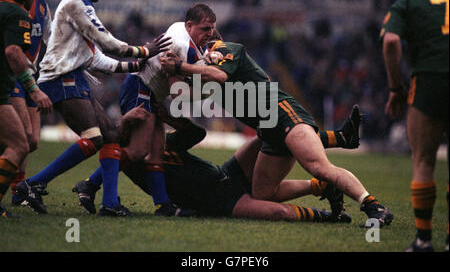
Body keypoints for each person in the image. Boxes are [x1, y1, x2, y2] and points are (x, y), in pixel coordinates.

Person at [160, 29, 394, 227]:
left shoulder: (227, 49)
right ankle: (325, 181)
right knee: (263, 193)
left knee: (318, 166)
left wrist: (180, 66)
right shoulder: (204, 70)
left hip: (283, 114)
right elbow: (184, 94)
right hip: (270, 130)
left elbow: (219, 75)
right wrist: (168, 70)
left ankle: (374, 206)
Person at [15, 0, 171, 217]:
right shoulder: (76, 3)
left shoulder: (78, 11)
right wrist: (144, 51)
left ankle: (109, 203)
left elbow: (98, 58)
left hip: (73, 79)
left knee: (111, 136)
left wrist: (135, 64)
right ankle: (32, 184)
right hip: (60, 79)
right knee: (95, 137)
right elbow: (107, 41)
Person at [74, 102, 361, 222]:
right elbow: (110, 162)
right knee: (279, 214)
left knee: (271, 133)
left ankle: (338, 139)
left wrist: (168, 116)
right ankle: (326, 210)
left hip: (226, 172)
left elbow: (197, 132)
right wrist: (89, 185)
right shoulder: (129, 159)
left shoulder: (163, 144)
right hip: (219, 202)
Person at [107, 3, 216, 215]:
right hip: (140, 88)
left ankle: (163, 205)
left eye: (212, 28)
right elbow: (178, 93)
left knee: (157, 152)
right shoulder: (180, 46)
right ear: (190, 25)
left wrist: (209, 54)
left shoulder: (182, 29)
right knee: (139, 150)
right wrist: (209, 91)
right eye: (205, 29)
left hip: (150, 92)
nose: (210, 34)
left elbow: (201, 48)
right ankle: (91, 184)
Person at [381, 0, 448, 252]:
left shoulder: (406, 3)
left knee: (423, 162)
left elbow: (391, 41)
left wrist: (395, 88)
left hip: (429, 82)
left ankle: (423, 240)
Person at [0, 0, 52, 218]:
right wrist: (34, 90)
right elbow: (13, 52)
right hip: (2, 91)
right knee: (20, 144)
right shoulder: (18, 14)